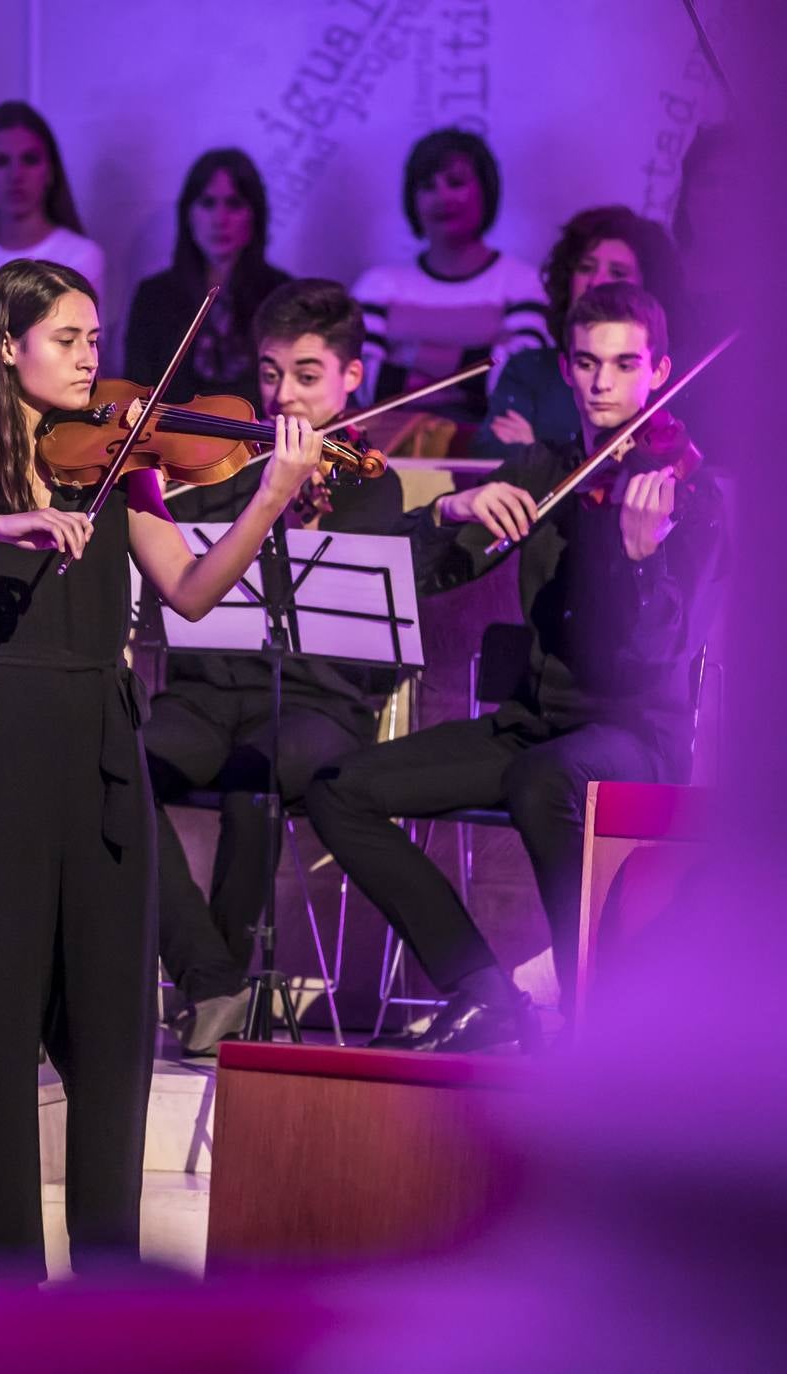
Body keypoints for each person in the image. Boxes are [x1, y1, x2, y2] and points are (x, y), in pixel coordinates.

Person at [0, 258, 323, 1285]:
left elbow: (191, 592)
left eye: (94, 340)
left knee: (113, 1013)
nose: (91, 360)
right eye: (67, 339)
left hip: (100, 736)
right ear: (6, 345)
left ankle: (111, 1270)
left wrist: (272, 494)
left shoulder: (126, 461)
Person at [305, 282, 727, 1053]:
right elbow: (422, 575)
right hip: (534, 728)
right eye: (587, 363)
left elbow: (662, 654)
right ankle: (482, 992)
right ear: (565, 369)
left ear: (658, 372)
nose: (603, 382)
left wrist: (640, 562)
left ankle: (594, 1018)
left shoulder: (685, 495)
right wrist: (447, 514)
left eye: (624, 363)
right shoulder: (543, 471)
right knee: (339, 789)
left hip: (635, 736)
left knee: (544, 781)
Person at [144, 278, 403, 1056]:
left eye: (306, 376)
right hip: (206, 691)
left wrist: (293, 503)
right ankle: (210, 977)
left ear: (352, 377)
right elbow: (174, 557)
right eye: (268, 374)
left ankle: (220, 1000)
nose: (282, 396)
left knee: (257, 783)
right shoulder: (224, 465)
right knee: (115, 770)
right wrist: (254, 491)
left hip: (314, 705)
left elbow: (350, 633)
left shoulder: (367, 481)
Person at [351, 127, 549, 425]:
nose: (441, 196)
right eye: (427, 186)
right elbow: (364, 384)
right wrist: (471, 374)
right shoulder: (377, 286)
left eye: (456, 183)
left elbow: (516, 380)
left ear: (486, 190)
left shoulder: (524, 283)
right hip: (387, 454)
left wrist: (411, 353)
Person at [474, 205, 683, 462]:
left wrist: (535, 449)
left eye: (617, 272)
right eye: (585, 268)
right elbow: (494, 450)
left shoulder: (665, 376)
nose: (596, 281)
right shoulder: (528, 368)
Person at [123, 148, 291, 411]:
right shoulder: (154, 296)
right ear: (188, 214)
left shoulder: (281, 294)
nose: (220, 219)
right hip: (170, 446)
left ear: (255, 215)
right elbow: (136, 392)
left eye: (234, 204)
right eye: (207, 203)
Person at [0, 100, 105, 300]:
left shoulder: (80, 256)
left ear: (50, 171)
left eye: (29, 160)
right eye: (1, 161)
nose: (16, 175)